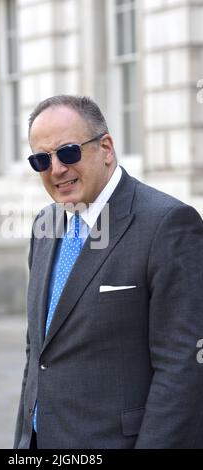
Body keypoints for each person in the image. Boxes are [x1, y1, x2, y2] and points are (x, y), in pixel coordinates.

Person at [14, 94, 203, 449]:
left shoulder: (167, 224)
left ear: (106, 147)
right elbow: (37, 352)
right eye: (42, 159)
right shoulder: (46, 224)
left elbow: (184, 370)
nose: (56, 169)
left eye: (68, 152)